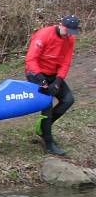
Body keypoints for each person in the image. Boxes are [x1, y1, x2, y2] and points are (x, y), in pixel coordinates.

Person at [25, 15, 81, 156]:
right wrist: (42, 81)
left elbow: (65, 62)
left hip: (53, 75)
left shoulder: (70, 39)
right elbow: (31, 60)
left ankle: (44, 127)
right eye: (67, 31)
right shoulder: (44, 35)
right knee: (47, 106)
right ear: (61, 25)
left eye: (72, 32)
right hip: (36, 73)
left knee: (68, 100)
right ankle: (48, 143)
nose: (68, 35)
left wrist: (58, 81)